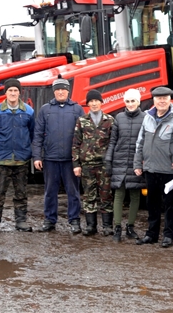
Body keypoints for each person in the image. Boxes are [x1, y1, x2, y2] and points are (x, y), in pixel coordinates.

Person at [32, 74, 84, 234]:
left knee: (73, 192)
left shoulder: (77, 109)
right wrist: (37, 156)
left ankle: (74, 220)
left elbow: (83, 135)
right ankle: (49, 220)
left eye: (63, 89)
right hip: (50, 159)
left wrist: (80, 159)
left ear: (68, 91)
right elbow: (38, 134)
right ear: (53, 92)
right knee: (50, 192)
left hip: (70, 160)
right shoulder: (45, 109)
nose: (61, 92)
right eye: (58, 90)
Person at [134, 86, 173, 247]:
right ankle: (151, 234)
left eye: (165, 98)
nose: (161, 101)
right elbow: (140, 142)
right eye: (158, 98)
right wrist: (137, 162)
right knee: (152, 203)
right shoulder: (147, 118)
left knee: (170, 204)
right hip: (150, 168)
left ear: (170, 99)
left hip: (169, 170)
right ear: (153, 100)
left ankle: (168, 235)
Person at [0, 78, 35, 235]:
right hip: (1, 159)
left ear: (19, 92)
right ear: (5, 93)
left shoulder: (28, 111)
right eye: (10, 90)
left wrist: (26, 150)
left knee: (21, 193)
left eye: (15, 90)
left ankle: (20, 221)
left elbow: (32, 133)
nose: (13, 93)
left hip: (21, 159)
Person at [105, 88, 146, 242]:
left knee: (135, 195)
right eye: (127, 101)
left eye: (133, 101)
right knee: (119, 194)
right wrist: (108, 160)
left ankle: (130, 227)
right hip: (120, 160)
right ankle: (117, 227)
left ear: (138, 101)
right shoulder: (119, 118)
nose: (130, 104)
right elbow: (113, 141)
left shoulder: (145, 118)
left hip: (136, 161)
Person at [72, 89, 115, 236]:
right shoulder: (82, 121)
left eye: (96, 101)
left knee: (106, 195)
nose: (94, 103)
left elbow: (113, 142)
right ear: (88, 103)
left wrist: (111, 162)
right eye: (91, 101)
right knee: (89, 196)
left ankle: (107, 226)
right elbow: (76, 144)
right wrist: (76, 165)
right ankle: (91, 226)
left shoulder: (109, 120)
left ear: (101, 102)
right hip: (87, 165)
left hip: (104, 165)